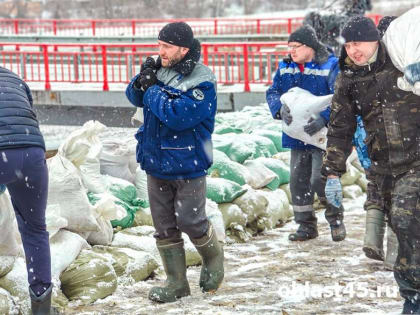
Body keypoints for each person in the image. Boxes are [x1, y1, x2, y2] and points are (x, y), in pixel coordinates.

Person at [322, 16, 420, 314]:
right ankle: (411, 295)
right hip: (383, 166)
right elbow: (340, 127)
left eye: (359, 43)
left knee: (405, 221)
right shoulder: (349, 78)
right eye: (349, 44)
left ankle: (413, 298)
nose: (354, 50)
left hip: (417, 160)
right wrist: (332, 171)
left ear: (376, 41)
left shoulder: (401, 62)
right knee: (402, 231)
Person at [125, 21, 223, 303]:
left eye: (166, 46)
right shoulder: (160, 70)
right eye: (159, 45)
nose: (161, 51)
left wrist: (153, 88)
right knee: (164, 227)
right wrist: (142, 78)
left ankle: (214, 257)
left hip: (188, 162)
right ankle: (176, 283)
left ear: (183, 48)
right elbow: (134, 97)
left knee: (191, 221)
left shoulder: (202, 79)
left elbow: (178, 115)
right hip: (156, 162)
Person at [266, 25, 346, 242]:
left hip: (322, 136)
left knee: (319, 179)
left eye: (296, 47)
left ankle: (335, 219)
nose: (291, 51)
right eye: (289, 47)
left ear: (310, 46)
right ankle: (305, 226)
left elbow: (341, 96)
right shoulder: (286, 67)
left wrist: (324, 117)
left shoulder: (329, 66)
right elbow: (273, 91)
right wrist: (278, 109)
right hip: (296, 135)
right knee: (298, 181)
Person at [0, 67, 56, 314]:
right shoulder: (13, 77)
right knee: (35, 229)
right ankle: (41, 307)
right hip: (32, 152)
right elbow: (27, 114)